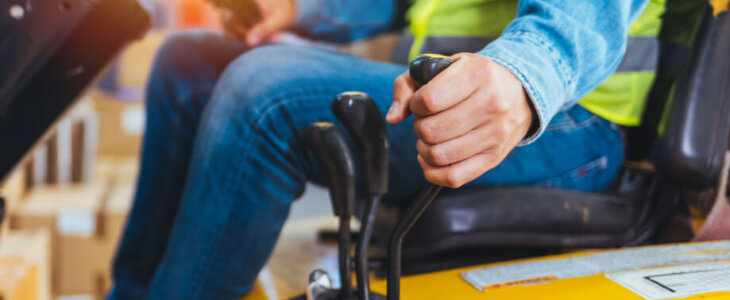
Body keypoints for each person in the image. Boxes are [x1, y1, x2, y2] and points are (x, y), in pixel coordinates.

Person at [109, 0, 667, 298]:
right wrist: (299, 7)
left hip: (569, 125)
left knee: (263, 92)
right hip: (433, 93)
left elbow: (585, 14)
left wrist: (526, 75)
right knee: (186, 65)